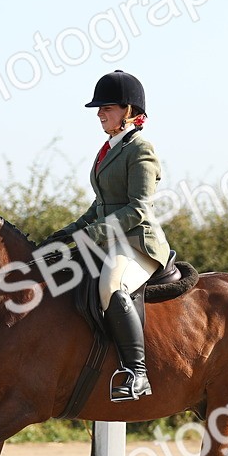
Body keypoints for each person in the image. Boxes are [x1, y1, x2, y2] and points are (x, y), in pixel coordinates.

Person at [39, 70, 172, 401]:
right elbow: (98, 206)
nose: (100, 113)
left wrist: (87, 239)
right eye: (99, 109)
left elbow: (137, 209)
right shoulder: (109, 149)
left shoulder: (141, 149)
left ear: (128, 110)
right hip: (110, 239)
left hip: (137, 243)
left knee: (111, 285)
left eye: (107, 108)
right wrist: (62, 236)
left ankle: (137, 374)